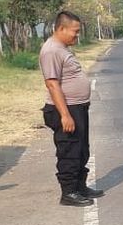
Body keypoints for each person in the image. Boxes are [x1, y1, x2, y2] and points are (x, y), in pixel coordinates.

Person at [40, 11, 103, 206]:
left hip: (77, 108)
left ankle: (80, 186)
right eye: (75, 31)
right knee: (69, 151)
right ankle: (68, 193)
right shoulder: (51, 50)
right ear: (61, 28)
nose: (77, 35)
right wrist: (65, 115)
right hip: (65, 109)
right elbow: (52, 84)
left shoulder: (62, 48)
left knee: (81, 149)